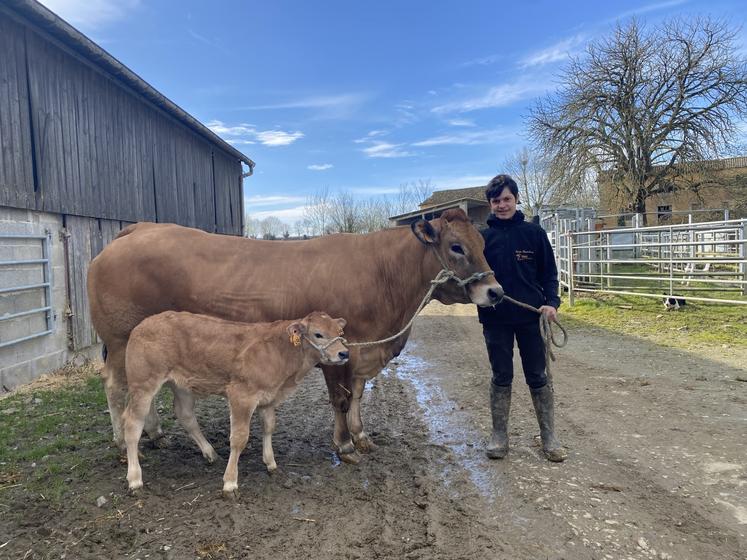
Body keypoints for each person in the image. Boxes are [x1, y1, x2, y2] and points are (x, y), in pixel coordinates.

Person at [478, 174, 567, 462]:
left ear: (516, 199)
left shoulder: (534, 234)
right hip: (495, 319)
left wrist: (552, 303)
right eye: (496, 201)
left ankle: (549, 436)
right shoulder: (482, 238)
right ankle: (499, 436)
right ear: (490, 204)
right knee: (501, 376)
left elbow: (549, 275)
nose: (502, 205)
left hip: (532, 318)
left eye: (506, 199)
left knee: (538, 376)